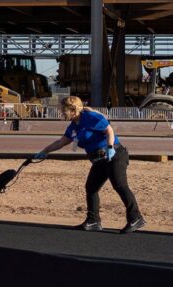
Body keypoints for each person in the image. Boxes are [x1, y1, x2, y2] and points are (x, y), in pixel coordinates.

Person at [36, 95, 145, 233]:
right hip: (99, 159)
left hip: (114, 154)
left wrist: (110, 147)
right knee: (91, 188)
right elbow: (61, 142)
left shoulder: (90, 117)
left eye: (63, 110)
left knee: (120, 185)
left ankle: (136, 217)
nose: (61, 113)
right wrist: (45, 151)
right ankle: (93, 221)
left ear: (73, 109)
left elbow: (109, 130)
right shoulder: (73, 126)